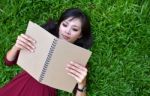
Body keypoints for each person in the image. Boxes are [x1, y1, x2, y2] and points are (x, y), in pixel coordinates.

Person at [0, 8, 92, 96]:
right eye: (65, 25)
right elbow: (8, 61)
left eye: (74, 29)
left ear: (80, 35)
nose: (67, 31)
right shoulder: (41, 37)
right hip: (21, 84)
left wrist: (82, 84)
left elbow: (78, 90)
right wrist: (16, 46)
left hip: (44, 92)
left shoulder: (79, 58)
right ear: (59, 25)